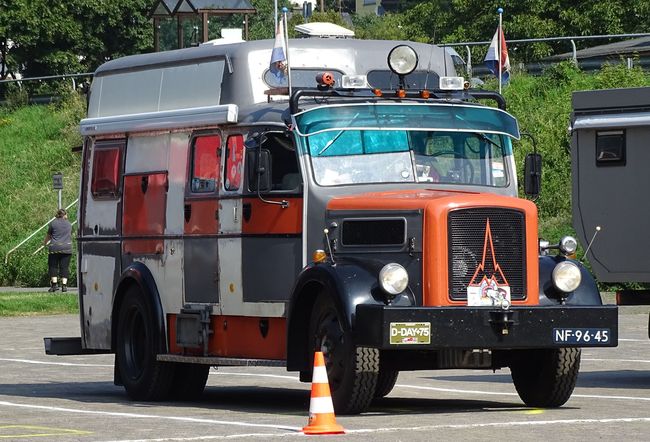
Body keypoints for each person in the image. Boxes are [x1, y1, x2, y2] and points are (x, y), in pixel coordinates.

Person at [44, 209, 73, 292]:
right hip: (67, 248)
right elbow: (71, 234)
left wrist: (45, 243)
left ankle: (54, 285)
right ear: (65, 215)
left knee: (53, 266)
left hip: (55, 247)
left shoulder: (53, 223)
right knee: (64, 267)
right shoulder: (69, 224)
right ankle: (64, 286)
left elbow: (48, 236)